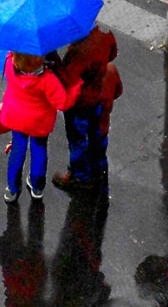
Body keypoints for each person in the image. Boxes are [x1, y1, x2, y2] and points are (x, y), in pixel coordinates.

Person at [0, 51, 81, 201]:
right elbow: (62, 103)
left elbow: (9, 55)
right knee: (39, 151)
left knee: (17, 151)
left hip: (16, 119)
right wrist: (76, 87)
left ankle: (12, 188)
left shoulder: (9, 64)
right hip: (39, 123)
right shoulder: (48, 79)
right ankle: (37, 186)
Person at [52, 27, 122, 192]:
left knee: (77, 138)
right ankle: (99, 168)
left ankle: (80, 177)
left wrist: (54, 59)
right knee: (96, 135)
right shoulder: (105, 35)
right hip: (97, 98)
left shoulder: (79, 53)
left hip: (80, 103)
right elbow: (112, 54)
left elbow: (67, 80)